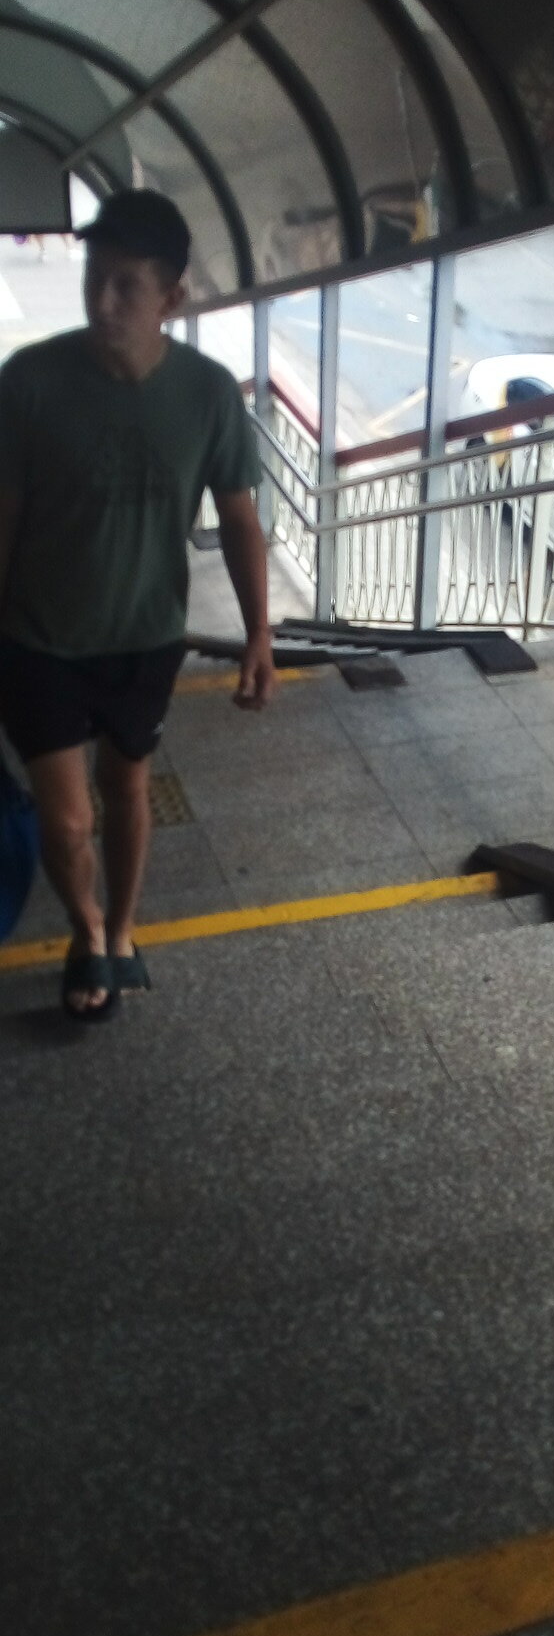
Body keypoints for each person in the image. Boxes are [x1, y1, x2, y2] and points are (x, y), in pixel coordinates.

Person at [0, 188, 276, 1020]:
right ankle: (85, 927)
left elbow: (239, 517)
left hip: (147, 636)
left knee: (127, 789)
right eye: (96, 277)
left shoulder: (207, 394)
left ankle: (121, 933)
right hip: (37, 637)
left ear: (172, 298)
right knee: (66, 823)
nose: (103, 301)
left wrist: (259, 634)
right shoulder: (29, 382)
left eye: (127, 284)